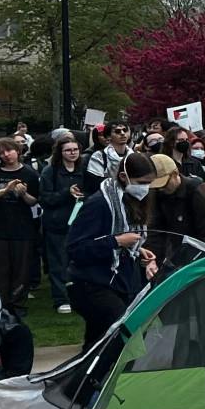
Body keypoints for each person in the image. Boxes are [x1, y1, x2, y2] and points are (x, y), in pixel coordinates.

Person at [65, 150, 158, 351]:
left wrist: (138, 250)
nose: (145, 188)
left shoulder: (134, 201)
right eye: (141, 182)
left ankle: (90, 378)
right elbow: (75, 248)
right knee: (120, 335)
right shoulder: (99, 204)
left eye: (149, 183)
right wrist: (115, 242)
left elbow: (130, 238)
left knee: (98, 343)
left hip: (120, 281)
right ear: (124, 177)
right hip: (92, 283)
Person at [144, 154, 205, 274]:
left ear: (175, 174)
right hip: (175, 250)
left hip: (200, 252)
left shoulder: (199, 192)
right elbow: (156, 230)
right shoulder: (157, 193)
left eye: (164, 184)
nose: (160, 189)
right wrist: (153, 259)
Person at [39, 133, 85, 315]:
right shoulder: (50, 171)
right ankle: (61, 298)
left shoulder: (84, 169)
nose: (72, 153)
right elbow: (45, 198)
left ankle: (78, 297)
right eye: (68, 150)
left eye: (75, 149)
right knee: (58, 262)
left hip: (80, 224)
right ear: (60, 152)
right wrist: (67, 192)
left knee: (79, 262)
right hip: (57, 224)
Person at [0, 138, 39, 309]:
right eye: (1, 152)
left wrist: (23, 194)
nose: (6, 155)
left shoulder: (29, 173)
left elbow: (33, 201)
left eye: (9, 150)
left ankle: (17, 305)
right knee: (1, 269)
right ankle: (1, 304)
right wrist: (6, 189)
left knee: (21, 269)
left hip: (22, 228)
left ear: (17, 151)